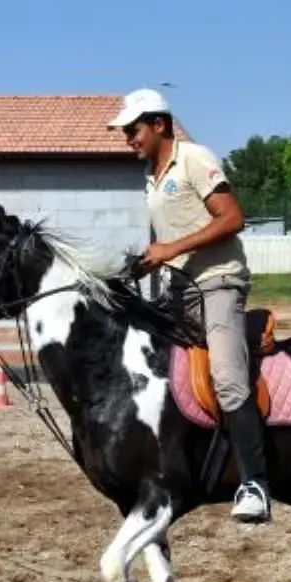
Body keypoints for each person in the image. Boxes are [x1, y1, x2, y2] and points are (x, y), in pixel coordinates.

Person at [108, 88, 271, 524]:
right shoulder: (152, 175)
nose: (128, 139)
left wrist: (172, 248)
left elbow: (233, 218)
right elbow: (168, 245)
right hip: (177, 293)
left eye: (133, 130)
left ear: (159, 124)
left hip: (218, 284)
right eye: (125, 132)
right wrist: (144, 264)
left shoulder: (194, 158)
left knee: (228, 379)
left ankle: (255, 483)